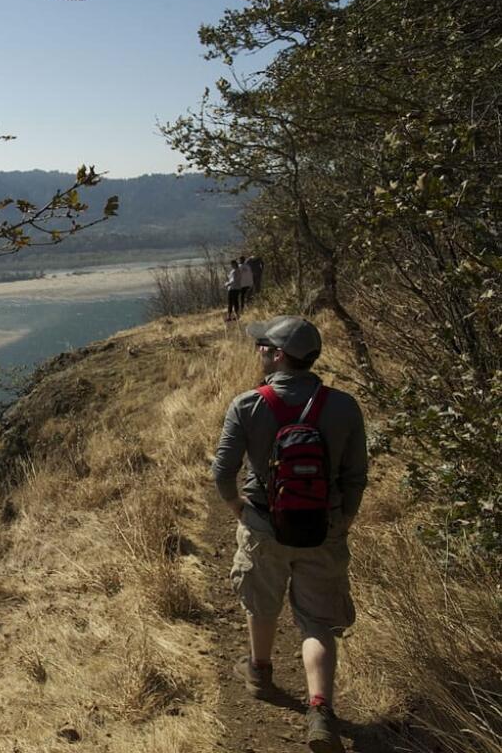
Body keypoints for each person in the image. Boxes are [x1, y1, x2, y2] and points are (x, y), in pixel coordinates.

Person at [211, 316, 368, 753]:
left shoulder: (247, 404)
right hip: (324, 528)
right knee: (318, 622)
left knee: (262, 602)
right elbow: (356, 476)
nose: (258, 350)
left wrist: (239, 509)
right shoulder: (344, 406)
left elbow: (223, 472)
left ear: (280, 355)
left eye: (264, 345)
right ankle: (320, 709)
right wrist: (343, 521)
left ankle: (260, 672)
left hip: (264, 525)